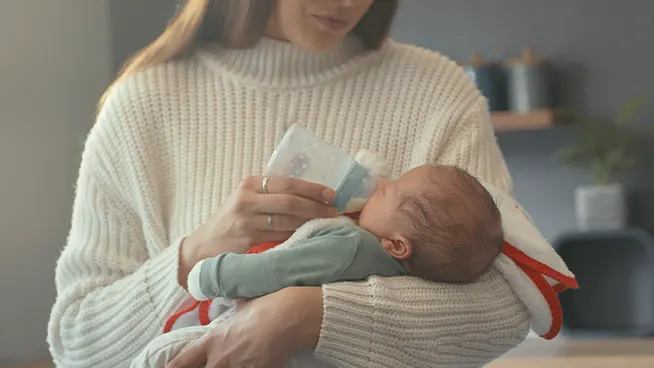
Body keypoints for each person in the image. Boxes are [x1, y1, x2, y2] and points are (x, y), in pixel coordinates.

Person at [47, 0, 536, 367]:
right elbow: (76, 341)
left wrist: (307, 315)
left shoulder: (437, 93)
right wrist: (196, 251)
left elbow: (509, 304)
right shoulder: (142, 105)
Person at [187, 164, 504, 303]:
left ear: (396, 245)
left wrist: (213, 275)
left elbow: (278, 270)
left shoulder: (350, 247)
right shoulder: (395, 273)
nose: (381, 184)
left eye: (387, 192)